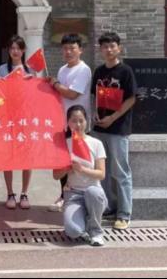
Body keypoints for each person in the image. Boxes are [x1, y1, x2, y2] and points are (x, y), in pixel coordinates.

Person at [91, 32, 137, 230]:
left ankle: (124, 214)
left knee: (120, 172)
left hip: (118, 129)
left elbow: (131, 99)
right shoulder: (99, 71)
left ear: (119, 48)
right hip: (99, 128)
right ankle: (109, 207)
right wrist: (95, 113)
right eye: (105, 46)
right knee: (103, 171)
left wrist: (112, 118)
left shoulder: (125, 71)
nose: (109, 50)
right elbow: (94, 95)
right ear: (100, 50)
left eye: (112, 46)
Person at [47, 34, 92, 212]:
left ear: (80, 50)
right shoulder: (62, 70)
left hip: (78, 125)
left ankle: (79, 197)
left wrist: (55, 84)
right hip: (63, 123)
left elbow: (72, 94)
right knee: (63, 161)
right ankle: (64, 195)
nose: (68, 52)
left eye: (72, 48)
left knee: (79, 161)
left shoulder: (83, 69)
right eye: (65, 48)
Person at [53, 105, 107, 247]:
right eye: (74, 121)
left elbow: (101, 174)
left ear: (86, 122)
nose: (78, 125)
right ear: (67, 123)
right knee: (73, 232)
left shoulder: (96, 143)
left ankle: (96, 232)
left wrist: (82, 169)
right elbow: (56, 175)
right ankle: (83, 222)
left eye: (81, 121)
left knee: (93, 192)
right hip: (73, 194)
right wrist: (67, 167)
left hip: (93, 191)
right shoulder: (63, 145)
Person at [0, 35, 35, 210]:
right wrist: (2, 84)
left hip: (26, 118)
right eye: (12, 48)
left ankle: (24, 192)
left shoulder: (30, 70)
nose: (15, 51)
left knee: (27, 157)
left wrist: (31, 83)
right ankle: (10, 192)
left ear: (23, 50)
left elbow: (36, 94)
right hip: (7, 118)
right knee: (8, 156)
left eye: (18, 48)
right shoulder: (2, 69)